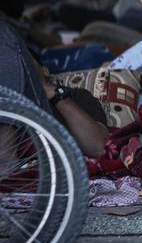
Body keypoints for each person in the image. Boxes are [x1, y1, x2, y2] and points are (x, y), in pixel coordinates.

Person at [0, 21, 109, 158]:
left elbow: (98, 147)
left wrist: (57, 95)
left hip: (51, 158)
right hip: (20, 159)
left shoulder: (75, 95)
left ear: (45, 71)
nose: (14, 71)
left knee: (4, 32)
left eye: (23, 63)